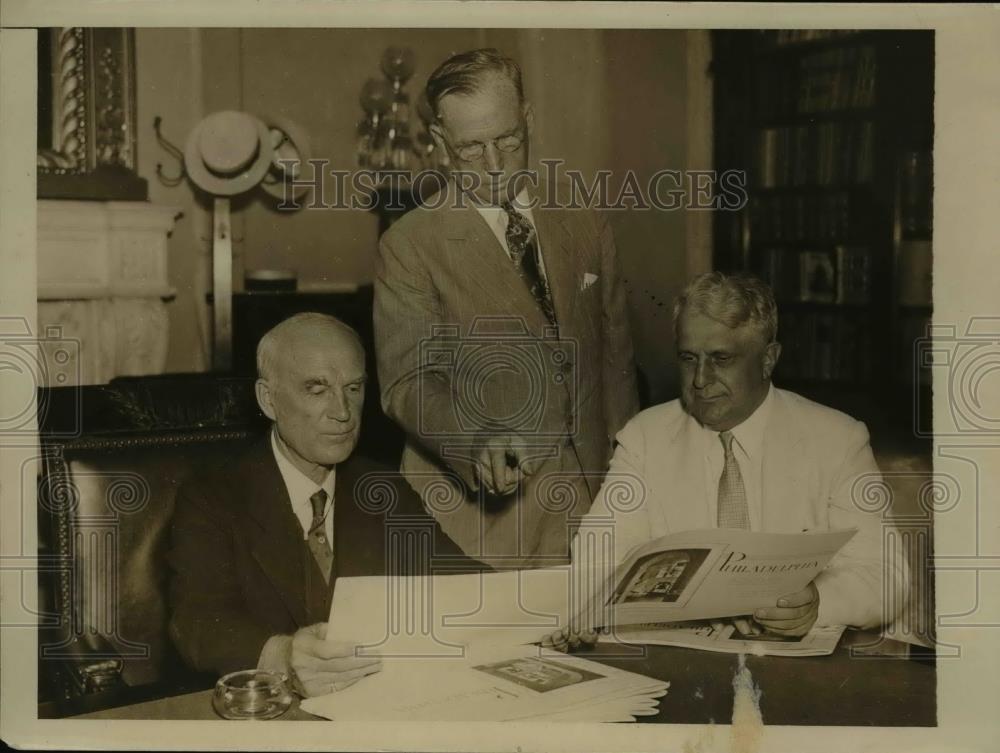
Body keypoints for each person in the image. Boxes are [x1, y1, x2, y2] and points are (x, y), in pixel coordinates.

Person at [544, 272, 909, 651]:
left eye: (721, 359)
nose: (700, 380)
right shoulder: (644, 438)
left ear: (768, 359)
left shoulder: (837, 439)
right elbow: (597, 556)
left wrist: (819, 603)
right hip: (684, 658)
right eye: (689, 359)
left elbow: (888, 575)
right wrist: (587, 609)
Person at [374, 48, 639, 568]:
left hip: (590, 501)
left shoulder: (585, 220)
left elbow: (616, 358)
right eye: (471, 149)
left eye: (508, 140)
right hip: (480, 521)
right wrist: (474, 439)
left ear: (528, 119)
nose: (494, 165)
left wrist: (625, 473)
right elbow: (408, 383)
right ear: (439, 142)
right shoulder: (409, 245)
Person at [168, 313, 479, 696]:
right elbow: (197, 621)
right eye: (317, 390)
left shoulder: (382, 488)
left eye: (353, 388)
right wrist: (282, 656)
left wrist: (542, 608)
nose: (343, 412)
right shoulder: (212, 498)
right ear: (268, 400)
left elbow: (464, 581)